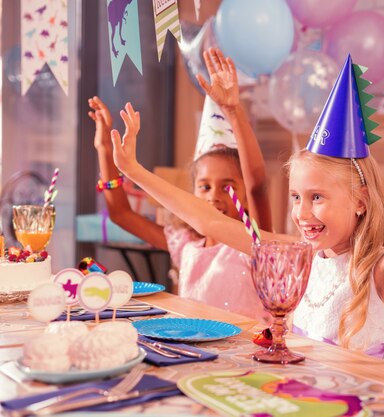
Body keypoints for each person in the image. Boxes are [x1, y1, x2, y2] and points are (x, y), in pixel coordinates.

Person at [110, 55, 384, 359]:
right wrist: (134, 170)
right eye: (297, 197)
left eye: (317, 198)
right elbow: (209, 222)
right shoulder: (299, 257)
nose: (303, 213)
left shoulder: (379, 272)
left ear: (361, 201)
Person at [88, 47, 271, 320]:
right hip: (196, 355)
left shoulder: (254, 242)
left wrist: (233, 111)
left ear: (244, 194)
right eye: (205, 186)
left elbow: (258, 185)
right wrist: (104, 148)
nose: (213, 196)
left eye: (228, 186)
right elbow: (121, 214)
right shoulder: (184, 243)